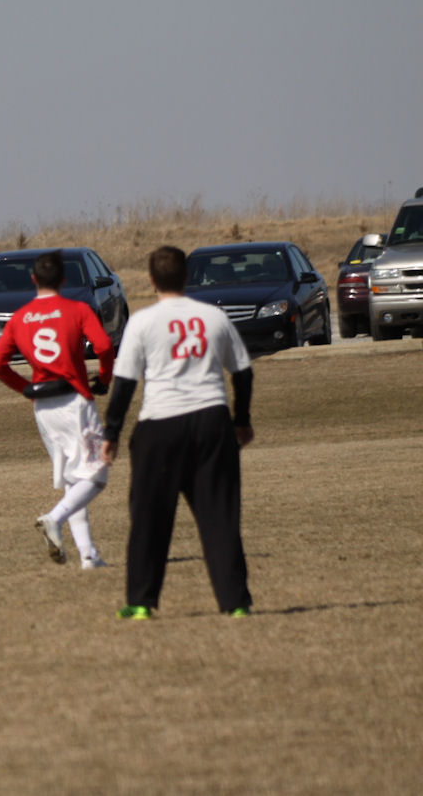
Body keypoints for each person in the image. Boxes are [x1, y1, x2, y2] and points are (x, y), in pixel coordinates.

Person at [100, 245, 255, 621]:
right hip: (212, 422)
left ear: (151, 280)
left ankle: (141, 602)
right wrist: (241, 420)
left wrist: (112, 433)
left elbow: (124, 384)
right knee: (220, 516)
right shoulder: (214, 317)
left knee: (149, 518)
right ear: (187, 276)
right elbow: (243, 372)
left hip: (160, 427)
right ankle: (235, 602)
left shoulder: (143, 321)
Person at [0, 250, 116, 570]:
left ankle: (89, 555)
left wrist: (24, 388)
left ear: (34, 279)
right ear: (63, 279)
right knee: (97, 474)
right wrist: (104, 378)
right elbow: (103, 346)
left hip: (43, 407)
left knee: (75, 479)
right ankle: (54, 519)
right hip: (75, 401)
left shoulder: (20, 317)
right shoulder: (78, 309)